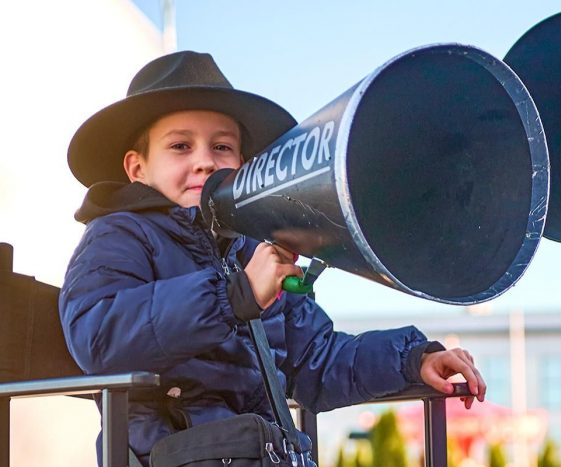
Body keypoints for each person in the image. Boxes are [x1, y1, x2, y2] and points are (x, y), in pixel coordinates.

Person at [59, 51, 486, 465]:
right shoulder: (119, 233)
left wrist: (411, 360)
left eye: (222, 147)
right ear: (137, 169)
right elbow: (98, 336)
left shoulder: (251, 247)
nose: (205, 162)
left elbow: (315, 361)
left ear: (243, 163)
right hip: (174, 456)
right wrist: (233, 294)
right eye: (180, 146)